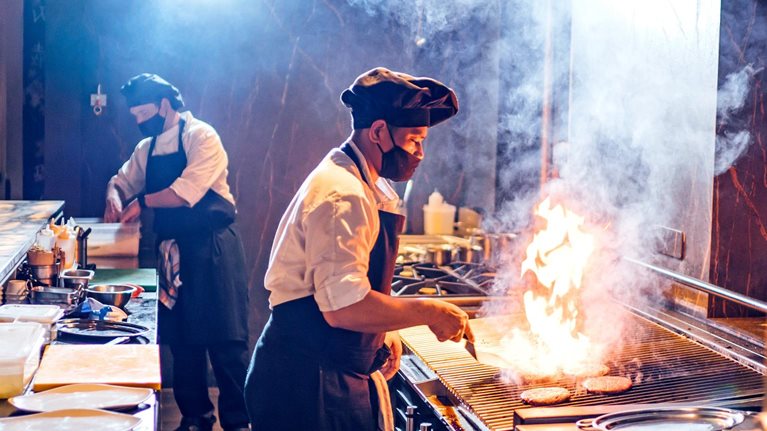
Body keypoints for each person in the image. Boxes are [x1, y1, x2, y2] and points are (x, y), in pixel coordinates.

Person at [244, 67, 474, 431]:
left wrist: (384, 330)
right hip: (309, 382)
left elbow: (348, 285)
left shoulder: (358, 179)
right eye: (414, 140)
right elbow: (344, 308)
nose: (420, 153)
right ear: (380, 132)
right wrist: (429, 311)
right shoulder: (343, 193)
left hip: (325, 368)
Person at [104, 73, 250, 431]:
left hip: (213, 249)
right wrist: (115, 194)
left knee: (226, 345)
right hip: (173, 251)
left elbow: (187, 191)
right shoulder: (147, 148)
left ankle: (239, 422)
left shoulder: (202, 136)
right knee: (183, 342)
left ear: (164, 105)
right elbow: (121, 179)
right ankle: (195, 419)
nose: (139, 122)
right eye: (135, 116)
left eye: (142, 113)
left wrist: (142, 201)